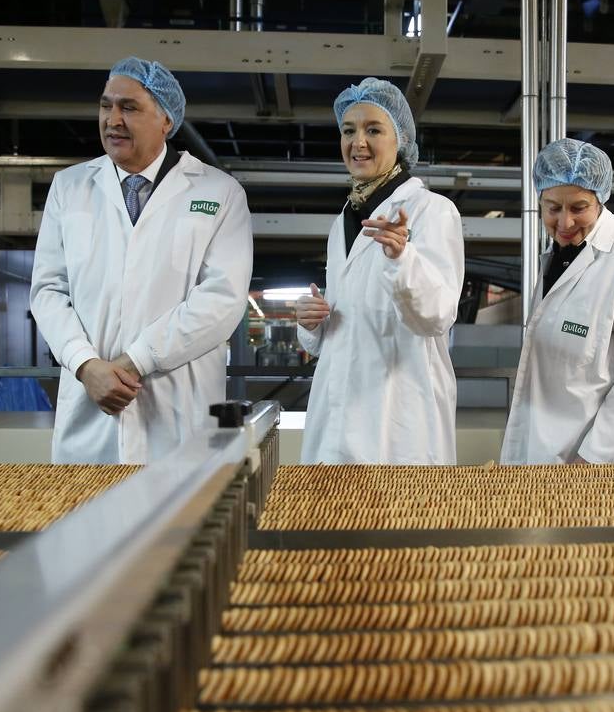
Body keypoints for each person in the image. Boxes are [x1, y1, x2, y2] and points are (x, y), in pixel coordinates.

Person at [30, 57, 253, 464]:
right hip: (90, 410)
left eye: (129, 108)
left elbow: (223, 299)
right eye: (106, 105)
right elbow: (47, 290)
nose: (112, 119)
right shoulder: (70, 187)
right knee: (88, 523)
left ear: (166, 121)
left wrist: (136, 360)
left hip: (176, 414)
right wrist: (85, 365)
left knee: (179, 525)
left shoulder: (220, 192)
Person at [294, 78, 464, 464]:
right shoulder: (345, 219)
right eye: (348, 130)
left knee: (396, 521)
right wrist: (311, 323)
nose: (358, 143)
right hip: (337, 410)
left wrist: (401, 260)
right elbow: (343, 323)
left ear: (400, 139)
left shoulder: (432, 210)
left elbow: (438, 315)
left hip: (398, 417)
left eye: (373, 129)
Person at [501, 138, 614, 464]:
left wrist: (593, 458)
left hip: (595, 461)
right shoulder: (556, 258)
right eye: (552, 208)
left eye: (579, 208)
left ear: (600, 201)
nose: (564, 223)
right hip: (541, 450)